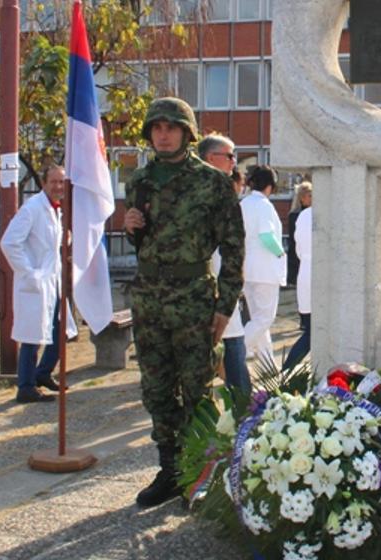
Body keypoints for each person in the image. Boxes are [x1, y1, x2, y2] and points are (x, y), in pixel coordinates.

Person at [123, 97, 244, 508]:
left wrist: (225, 306)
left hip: (193, 300)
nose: (163, 135)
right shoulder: (140, 180)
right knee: (156, 390)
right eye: (156, 127)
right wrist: (131, 228)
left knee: (196, 390)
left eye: (171, 127)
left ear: (187, 133)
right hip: (149, 300)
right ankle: (170, 470)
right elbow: (144, 242)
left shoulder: (212, 182)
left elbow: (234, 248)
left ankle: (200, 473)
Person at [0, 165, 78, 404]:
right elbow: (9, 242)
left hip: (52, 282)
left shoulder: (55, 209)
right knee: (32, 336)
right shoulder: (32, 208)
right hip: (36, 282)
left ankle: (43, 373)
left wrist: (65, 239)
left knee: (60, 330)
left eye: (61, 182)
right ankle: (25, 386)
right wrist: (29, 273)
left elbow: (47, 243)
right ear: (43, 183)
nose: (58, 186)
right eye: (53, 181)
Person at [198, 133, 250, 395]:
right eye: (229, 156)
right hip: (204, 287)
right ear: (211, 158)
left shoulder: (223, 193)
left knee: (233, 346)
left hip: (224, 286)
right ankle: (244, 405)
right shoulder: (198, 194)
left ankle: (243, 403)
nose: (233, 162)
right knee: (230, 349)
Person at [240, 165, 287, 364]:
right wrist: (280, 252)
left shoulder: (244, 203)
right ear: (270, 186)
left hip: (247, 268)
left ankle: (268, 367)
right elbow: (266, 235)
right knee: (264, 319)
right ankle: (235, 349)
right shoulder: (264, 205)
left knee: (258, 319)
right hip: (265, 269)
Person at [282, 200, 312, 371]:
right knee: (312, 333)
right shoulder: (328, 214)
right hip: (319, 274)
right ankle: (287, 370)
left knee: (310, 329)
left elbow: (298, 248)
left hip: (305, 270)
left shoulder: (304, 215)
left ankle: (287, 370)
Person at [286, 182, 313, 286]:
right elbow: (295, 240)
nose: (312, 199)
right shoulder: (295, 215)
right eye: (309, 196)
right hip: (296, 259)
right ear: (302, 198)